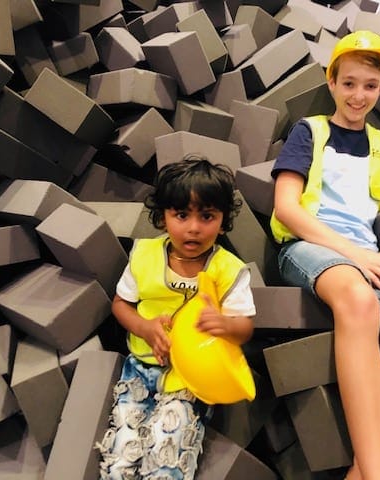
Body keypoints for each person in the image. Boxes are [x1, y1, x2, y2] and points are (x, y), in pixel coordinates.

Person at [270, 30, 380, 480]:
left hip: (372, 258)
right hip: (310, 249)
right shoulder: (308, 131)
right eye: (348, 83)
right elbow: (287, 208)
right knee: (358, 298)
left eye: (370, 86)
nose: (358, 95)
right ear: (331, 82)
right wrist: (355, 255)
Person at [97, 156, 256, 480]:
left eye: (207, 216)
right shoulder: (144, 255)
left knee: (167, 447)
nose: (194, 227)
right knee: (122, 451)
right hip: (140, 367)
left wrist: (227, 325)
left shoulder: (229, 269)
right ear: (162, 217)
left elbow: (245, 329)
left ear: (223, 221)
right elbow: (120, 304)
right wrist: (144, 327)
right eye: (182, 215)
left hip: (189, 379)